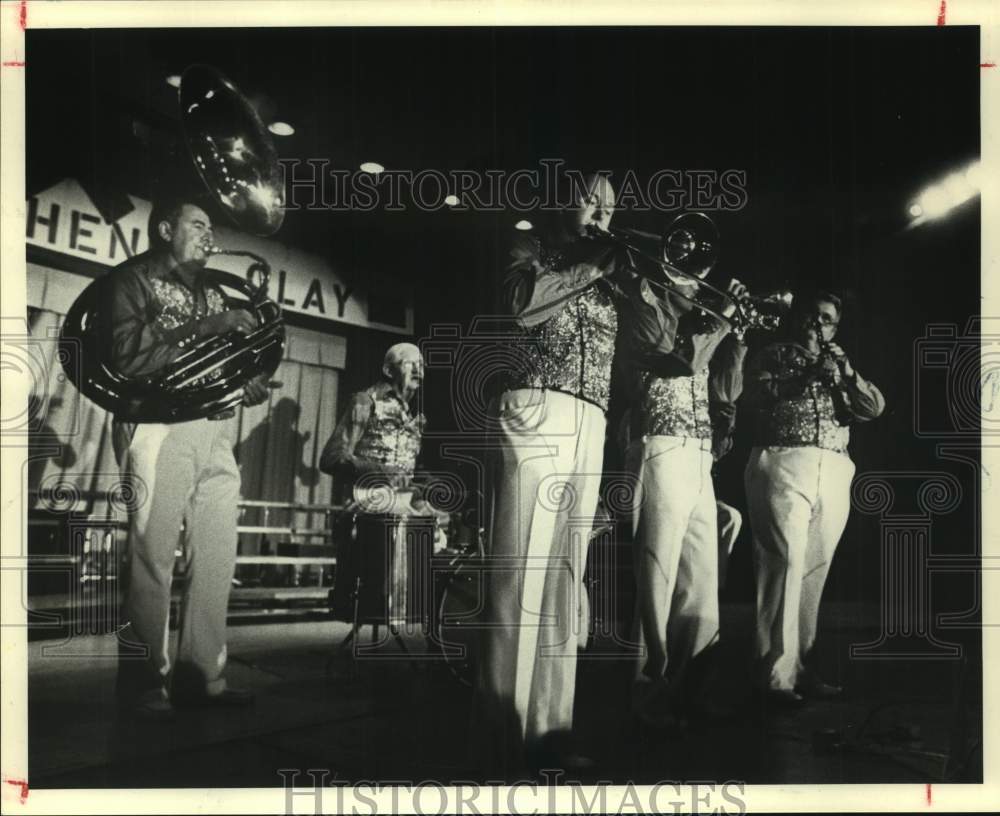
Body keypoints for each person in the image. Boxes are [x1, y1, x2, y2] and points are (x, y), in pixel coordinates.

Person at [476, 173, 677, 776]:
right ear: (562, 200)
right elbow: (521, 305)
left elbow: (663, 345)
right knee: (521, 574)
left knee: (566, 577)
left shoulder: (613, 270)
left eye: (612, 205)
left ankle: (550, 732)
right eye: (592, 199)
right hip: (534, 406)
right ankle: (500, 738)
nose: (603, 213)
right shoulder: (530, 247)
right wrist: (595, 263)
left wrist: (652, 285)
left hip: (591, 417)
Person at [110, 195, 269, 719]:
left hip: (212, 428)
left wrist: (247, 381)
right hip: (157, 423)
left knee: (219, 555)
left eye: (210, 228)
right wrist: (207, 328)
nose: (209, 236)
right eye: (198, 225)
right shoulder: (130, 280)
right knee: (151, 557)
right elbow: (130, 357)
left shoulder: (209, 292)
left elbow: (219, 360)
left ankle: (202, 677)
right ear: (163, 229)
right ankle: (140, 686)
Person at [742, 290, 885, 704]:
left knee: (813, 572)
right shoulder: (772, 355)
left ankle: (800, 668)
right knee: (783, 563)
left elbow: (873, 408)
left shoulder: (840, 366)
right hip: (785, 458)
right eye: (810, 317)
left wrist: (845, 369)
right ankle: (772, 676)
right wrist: (807, 375)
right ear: (796, 319)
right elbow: (757, 398)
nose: (816, 325)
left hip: (835, 465)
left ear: (835, 328)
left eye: (825, 320)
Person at [624, 260, 748, 731]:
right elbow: (683, 361)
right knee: (655, 578)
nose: (698, 286)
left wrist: (737, 338)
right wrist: (722, 317)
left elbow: (724, 390)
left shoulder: (702, 327)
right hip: (659, 446)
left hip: (697, 454)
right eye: (686, 277)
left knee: (701, 578)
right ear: (663, 283)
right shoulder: (647, 312)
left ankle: (693, 687)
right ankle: (647, 693)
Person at [319, 344, 448, 631]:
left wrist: (428, 482)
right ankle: (369, 604)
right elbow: (330, 459)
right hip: (368, 502)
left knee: (442, 526)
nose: (418, 369)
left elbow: (410, 468)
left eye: (422, 364)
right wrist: (379, 471)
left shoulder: (413, 416)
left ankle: (424, 615)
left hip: (402, 504)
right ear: (389, 370)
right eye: (409, 363)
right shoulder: (365, 402)